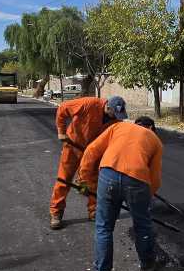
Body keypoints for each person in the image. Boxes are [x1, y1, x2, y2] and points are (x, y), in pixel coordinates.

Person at [78, 116, 163, 271]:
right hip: (137, 180)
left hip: (108, 173)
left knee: (103, 227)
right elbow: (154, 180)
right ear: (151, 128)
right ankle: (147, 266)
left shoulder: (118, 127)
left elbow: (91, 151)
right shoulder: (155, 140)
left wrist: (84, 180)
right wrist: (146, 199)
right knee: (142, 226)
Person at [48, 96, 128, 230]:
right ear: (107, 107)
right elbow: (62, 108)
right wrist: (61, 132)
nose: (116, 118)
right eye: (115, 113)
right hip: (73, 146)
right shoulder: (88, 104)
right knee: (64, 180)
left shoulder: (114, 121)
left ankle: (93, 211)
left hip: (92, 152)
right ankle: (56, 212)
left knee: (93, 181)